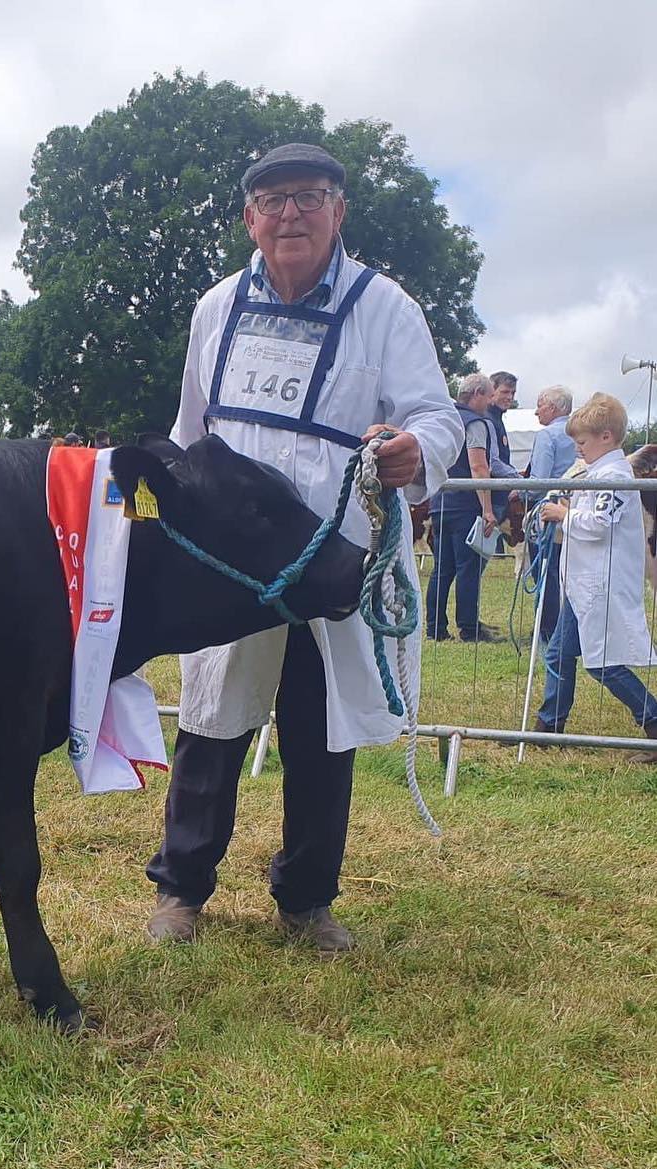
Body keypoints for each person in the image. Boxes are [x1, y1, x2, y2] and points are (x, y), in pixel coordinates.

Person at [147, 142, 462, 953]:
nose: (291, 213)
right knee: (212, 719)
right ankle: (182, 888)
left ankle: (307, 899)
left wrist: (415, 452)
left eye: (309, 196)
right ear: (249, 218)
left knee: (322, 725)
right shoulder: (216, 306)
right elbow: (191, 429)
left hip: (334, 552)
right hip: (233, 558)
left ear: (338, 210)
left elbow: (437, 417)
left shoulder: (385, 307)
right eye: (273, 200)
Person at [535, 393, 657, 761]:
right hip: (583, 584)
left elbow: (600, 524)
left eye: (583, 442)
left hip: (600, 584)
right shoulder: (598, 474)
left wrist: (563, 515)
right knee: (558, 653)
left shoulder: (615, 476)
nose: (578, 449)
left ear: (606, 437)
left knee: (603, 664)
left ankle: (653, 721)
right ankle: (548, 726)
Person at [424, 373, 502, 642]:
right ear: (477, 394)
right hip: (465, 505)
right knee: (468, 568)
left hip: (439, 502)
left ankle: (435, 628)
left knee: (441, 569)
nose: (491, 402)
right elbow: (478, 467)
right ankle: (469, 629)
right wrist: (487, 509)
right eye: (489, 396)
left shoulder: (444, 418)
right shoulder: (475, 423)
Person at [525, 385, 577, 642]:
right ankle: (569, 628)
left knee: (546, 571)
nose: (537, 412)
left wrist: (517, 491)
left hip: (549, 512)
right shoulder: (579, 434)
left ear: (553, 408)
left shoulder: (547, 435)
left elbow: (539, 481)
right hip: (576, 511)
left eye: (540, 406)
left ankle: (547, 629)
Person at [487, 371, 518, 468]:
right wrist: (515, 475)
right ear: (491, 392)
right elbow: (493, 463)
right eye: (505, 392)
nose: (510, 397)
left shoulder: (496, 418)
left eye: (513, 393)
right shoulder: (487, 420)